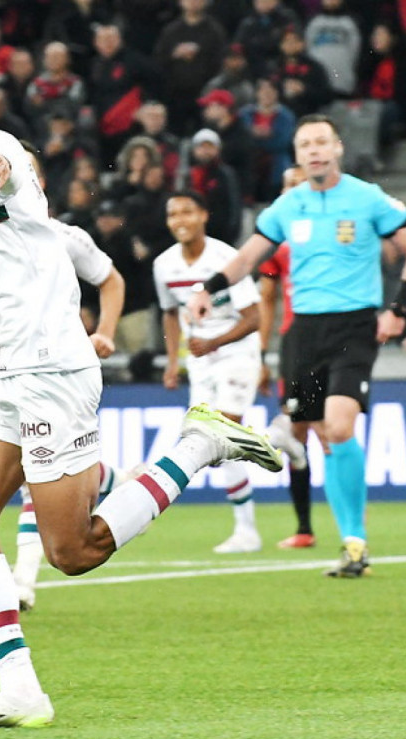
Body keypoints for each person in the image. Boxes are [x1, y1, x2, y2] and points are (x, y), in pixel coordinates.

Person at [0, 45, 281, 729]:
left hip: (55, 374)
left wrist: (3, 169)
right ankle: (20, 690)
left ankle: (200, 445)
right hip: (8, 374)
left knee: (74, 551)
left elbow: (7, 176)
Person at [187, 113, 406, 578]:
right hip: (303, 332)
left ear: (337, 147)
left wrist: (398, 309)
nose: (315, 151)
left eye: (322, 142)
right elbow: (247, 258)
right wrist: (208, 289)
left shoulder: (367, 198)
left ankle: (356, 540)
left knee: (339, 427)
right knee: (321, 435)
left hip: (354, 325)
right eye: (306, 145)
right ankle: (349, 544)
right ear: (297, 155)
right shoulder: (288, 207)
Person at [0, 142, 129, 611]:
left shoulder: (64, 238)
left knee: (49, 508)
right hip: (4, 372)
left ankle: (23, 579)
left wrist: (104, 331)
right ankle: (107, 477)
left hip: (54, 372)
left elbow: (111, 279)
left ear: (37, 183)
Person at [155, 190, 265, 553]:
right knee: (209, 441)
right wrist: (174, 362)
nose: (180, 220)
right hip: (200, 361)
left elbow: (254, 318)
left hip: (236, 353)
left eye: (188, 211)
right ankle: (281, 441)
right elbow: (170, 313)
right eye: (173, 214)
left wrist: (215, 342)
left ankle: (246, 529)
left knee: (222, 435)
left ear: (204, 215)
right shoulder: (164, 265)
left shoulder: (226, 259)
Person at [256, 165, 317, 549]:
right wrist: (262, 353)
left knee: (326, 431)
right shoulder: (276, 245)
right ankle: (305, 528)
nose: (293, 192)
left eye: (300, 184)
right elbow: (266, 299)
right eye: (287, 185)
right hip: (296, 344)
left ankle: (352, 532)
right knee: (300, 433)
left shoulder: (329, 236)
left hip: (332, 337)